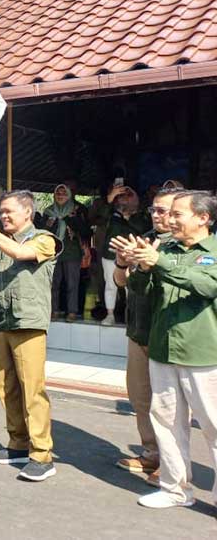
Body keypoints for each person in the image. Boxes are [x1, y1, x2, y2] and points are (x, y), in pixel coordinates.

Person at [116, 190, 217, 510]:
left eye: (177, 214)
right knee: (167, 422)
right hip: (162, 348)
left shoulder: (213, 251)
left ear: (203, 218)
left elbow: (206, 285)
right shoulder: (164, 248)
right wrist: (138, 266)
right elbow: (140, 291)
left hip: (202, 352)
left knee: (213, 426)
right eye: (167, 214)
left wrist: (157, 262)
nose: (169, 220)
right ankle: (175, 489)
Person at [0, 190, 62, 482]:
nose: (3, 216)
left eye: (9, 211)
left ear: (28, 212)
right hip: (0, 320)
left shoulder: (44, 239)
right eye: (1, 211)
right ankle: (18, 444)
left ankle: (42, 455)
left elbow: (19, 253)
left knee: (32, 389)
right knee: (6, 387)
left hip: (27, 322)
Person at [109, 187, 178, 483]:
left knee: (170, 405)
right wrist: (122, 262)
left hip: (168, 334)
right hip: (138, 330)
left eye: (164, 210)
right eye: (154, 209)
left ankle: (173, 463)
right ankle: (151, 453)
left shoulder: (188, 246)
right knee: (140, 397)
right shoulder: (144, 239)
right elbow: (120, 281)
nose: (156, 215)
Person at [98, 185, 150, 325]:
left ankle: (131, 316)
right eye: (121, 195)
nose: (125, 198)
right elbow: (101, 216)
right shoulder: (112, 213)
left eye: (129, 195)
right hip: (110, 254)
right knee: (110, 285)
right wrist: (111, 196)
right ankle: (110, 315)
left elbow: (144, 229)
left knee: (131, 287)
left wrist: (129, 215)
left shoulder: (141, 215)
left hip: (132, 255)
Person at [43, 184, 89, 321]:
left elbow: (85, 230)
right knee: (53, 283)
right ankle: (54, 310)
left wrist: (70, 219)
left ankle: (72, 312)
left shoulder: (76, 210)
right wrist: (49, 224)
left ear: (69, 195)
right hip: (53, 251)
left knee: (72, 283)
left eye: (64, 193)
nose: (61, 195)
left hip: (72, 251)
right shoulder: (48, 212)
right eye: (58, 193)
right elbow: (42, 231)